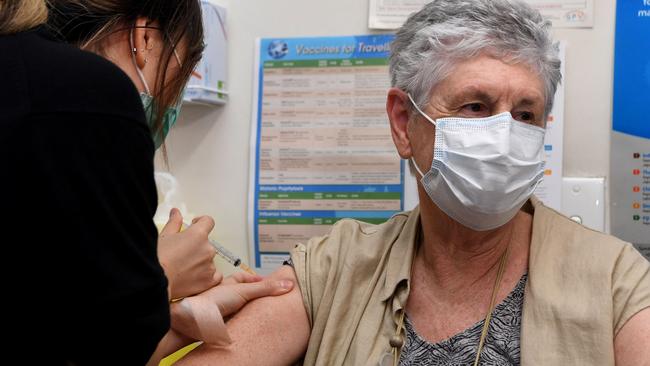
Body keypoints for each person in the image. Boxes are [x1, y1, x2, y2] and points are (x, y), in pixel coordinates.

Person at [176, 0, 650, 365]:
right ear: (404, 123)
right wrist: (168, 317)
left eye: (526, 114)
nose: (505, 135)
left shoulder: (616, 281)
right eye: (475, 107)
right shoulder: (336, 267)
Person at [0, 0, 292, 364]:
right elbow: (104, 343)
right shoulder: (87, 97)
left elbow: (56, 325)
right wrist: (162, 271)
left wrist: (179, 310)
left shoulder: (24, 87)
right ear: (146, 38)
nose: (170, 103)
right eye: (181, 71)